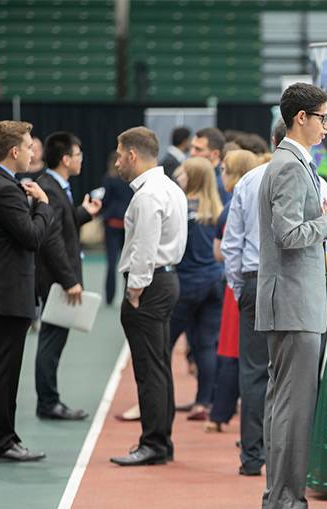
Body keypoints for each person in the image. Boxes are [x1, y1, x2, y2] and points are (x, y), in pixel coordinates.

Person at [257, 83, 327, 509]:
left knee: (285, 404)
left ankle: (281, 500)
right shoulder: (288, 165)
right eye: (323, 117)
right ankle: (285, 504)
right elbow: (288, 235)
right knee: (292, 406)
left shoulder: (292, 162)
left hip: (293, 299)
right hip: (293, 300)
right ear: (301, 118)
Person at [0, 120, 54, 463]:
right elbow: (31, 236)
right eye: (30, 146)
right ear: (15, 151)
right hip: (5, 294)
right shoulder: (5, 188)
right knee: (3, 372)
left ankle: (3, 439)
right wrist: (43, 203)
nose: (33, 152)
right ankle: (0, 444)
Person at [111, 126, 187, 467]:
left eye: (118, 155)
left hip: (150, 285)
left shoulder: (147, 195)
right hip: (166, 280)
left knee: (149, 368)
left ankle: (153, 443)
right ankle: (161, 441)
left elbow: (143, 248)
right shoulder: (169, 187)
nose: (116, 163)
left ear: (132, 155)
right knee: (158, 365)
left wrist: (135, 291)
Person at [222, 119, 288, 479]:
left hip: (253, 280)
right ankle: (287, 461)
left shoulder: (249, 181)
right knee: (292, 376)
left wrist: (238, 287)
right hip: (292, 286)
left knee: (252, 373)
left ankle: (251, 457)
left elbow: (232, 243)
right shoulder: (314, 179)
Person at [33, 132, 101, 420]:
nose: (81, 159)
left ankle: (49, 401)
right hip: (55, 281)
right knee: (51, 341)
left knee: (53, 341)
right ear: (65, 159)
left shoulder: (55, 187)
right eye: (78, 155)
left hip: (56, 278)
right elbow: (52, 240)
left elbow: (61, 224)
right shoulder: (48, 187)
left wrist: (83, 213)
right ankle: (48, 403)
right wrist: (69, 279)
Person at [166, 157, 225, 423]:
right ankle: (204, 402)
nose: (179, 178)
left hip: (186, 286)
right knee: (206, 345)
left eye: (183, 174)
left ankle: (161, 400)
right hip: (214, 284)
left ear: (193, 178)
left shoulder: (180, 208)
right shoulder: (218, 209)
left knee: (162, 344)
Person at [207, 149, 259, 435]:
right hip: (242, 283)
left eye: (225, 169)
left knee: (234, 353)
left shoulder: (233, 205)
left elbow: (223, 252)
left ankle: (222, 414)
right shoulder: (243, 200)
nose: (221, 174)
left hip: (238, 286)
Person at [101, 152, 133, 306]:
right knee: (129, 263)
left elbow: (106, 200)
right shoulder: (132, 179)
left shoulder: (109, 179)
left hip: (113, 223)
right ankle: (129, 295)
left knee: (112, 262)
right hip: (128, 224)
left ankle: (109, 297)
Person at [190, 127, 232, 204]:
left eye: (198, 149)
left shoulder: (223, 184)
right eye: (191, 147)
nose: (192, 153)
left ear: (215, 154)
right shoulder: (191, 177)